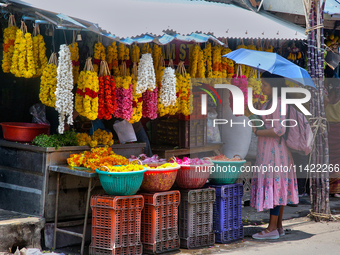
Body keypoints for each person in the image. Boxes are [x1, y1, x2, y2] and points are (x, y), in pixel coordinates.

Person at [250, 72, 299, 240]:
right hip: (271, 149)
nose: (262, 87)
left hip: (274, 151)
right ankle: (278, 227)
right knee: (279, 186)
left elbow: (279, 130)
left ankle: (271, 228)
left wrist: (257, 131)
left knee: (275, 186)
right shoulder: (271, 102)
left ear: (273, 85)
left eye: (264, 84)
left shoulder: (278, 102)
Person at [325, 79, 340, 197]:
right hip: (336, 133)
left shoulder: (325, 101)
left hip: (328, 132)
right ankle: (335, 190)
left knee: (328, 160)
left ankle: (329, 188)